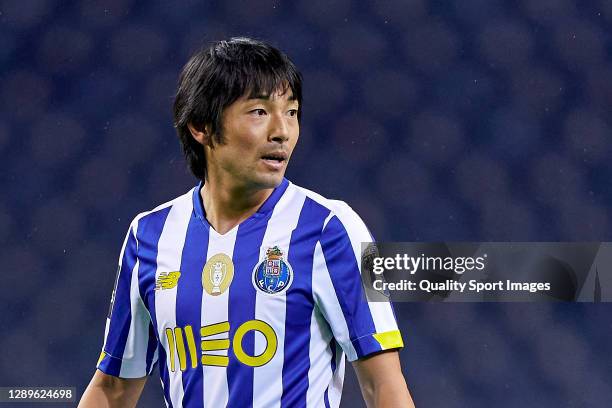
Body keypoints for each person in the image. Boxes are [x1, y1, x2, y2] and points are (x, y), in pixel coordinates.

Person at [79, 37, 415, 408]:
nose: (282, 131)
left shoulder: (333, 229)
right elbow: (112, 389)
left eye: (291, 111)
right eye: (259, 112)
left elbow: (384, 386)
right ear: (201, 126)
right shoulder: (149, 236)